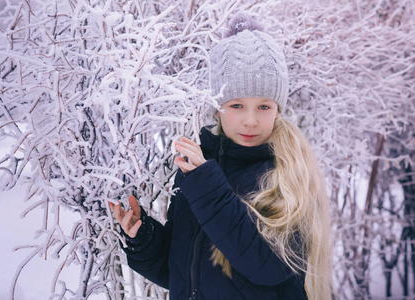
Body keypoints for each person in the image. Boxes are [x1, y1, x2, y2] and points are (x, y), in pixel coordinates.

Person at [109, 15, 332, 300]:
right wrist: (144, 239)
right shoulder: (200, 170)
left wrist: (207, 186)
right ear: (218, 108)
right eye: (237, 105)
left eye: (263, 106)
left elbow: (270, 266)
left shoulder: (288, 174)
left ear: (278, 109)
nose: (250, 120)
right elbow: (183, 273)